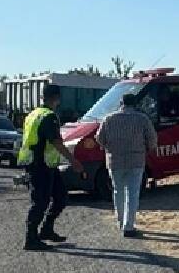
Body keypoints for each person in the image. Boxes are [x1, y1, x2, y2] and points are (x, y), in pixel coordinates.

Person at [18, 85, 85, 251]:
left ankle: (46, 229)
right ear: (56, 98)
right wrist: (73, 161)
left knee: (60, 197)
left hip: (47, 164)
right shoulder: (49, 117)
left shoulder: (34, 114)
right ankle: (31, 238)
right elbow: (56, 142)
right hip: (39, 165)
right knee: (40, 202)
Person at [94, 93, 157, 238]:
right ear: (135, 103)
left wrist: (108, 148)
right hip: (136, 160)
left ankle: (120, 221)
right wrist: (147, 148)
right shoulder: (142, 119)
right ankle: (128, 226)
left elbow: (99, 138)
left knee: (118, 191)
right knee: (133, 194)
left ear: (121, 103)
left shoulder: (109, 119)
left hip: (115, 160)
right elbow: (152, 139)